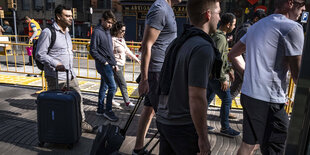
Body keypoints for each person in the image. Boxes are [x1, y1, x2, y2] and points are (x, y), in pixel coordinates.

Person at [228, 0, 305, 154]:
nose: (303, 9)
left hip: (249, 95)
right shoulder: (293, 28)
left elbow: (233, 54)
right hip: (269, 102)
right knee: (276, 149)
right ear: (290, 3)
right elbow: (298, 77)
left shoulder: (257, 26)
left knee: (248, 144)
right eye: (301, 4)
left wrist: (248, 74)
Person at [156, 0, 221, 154]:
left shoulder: (177, 42)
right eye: (218, 13)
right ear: (208, 14)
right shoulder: (203, 48)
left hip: (164, 119)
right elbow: (197, 97)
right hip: (183, 125)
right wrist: (203, 139)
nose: (219, 18)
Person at [133, 0, 181, 154]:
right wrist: (145, 80)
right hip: (157, 72)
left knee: (149, 110)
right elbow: (146, 44)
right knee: (166, 119)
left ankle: (138, 148)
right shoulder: (160, 8)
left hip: (160, 70)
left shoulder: (168, 8)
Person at [35, 5, 93, 133]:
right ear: (58, 17)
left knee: (78, 98)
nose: (71, 18)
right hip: (55, 77)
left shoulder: (67, 32)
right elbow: (40, 54)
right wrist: (55, 63)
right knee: (58, 104)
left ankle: (80, 123)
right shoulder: (48, 32)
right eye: (67, 16)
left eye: (71, 15)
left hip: (70, 75)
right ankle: (61, 127)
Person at [206, 12, 240, 137]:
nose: (235, 27)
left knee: (207, 99)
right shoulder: (220, 38)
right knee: (226, 99)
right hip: (216, 76)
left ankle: (198, 123)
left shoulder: (218, 35)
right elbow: (218, 59)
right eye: (234, 24)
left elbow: (222, 58)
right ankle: (225, 127)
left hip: (211, 75)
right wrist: (222, 79)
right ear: (227, 24)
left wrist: (229, 70)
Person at [89, 10, 119, 122]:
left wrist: (114, 63)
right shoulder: (97, 32)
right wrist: (105, 62)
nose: (110, 25)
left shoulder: (107, 31)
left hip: (108, 64)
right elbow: (93, 51)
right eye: (109, 23)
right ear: (103, 20)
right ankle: (108, 111)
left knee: (104, 87)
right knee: (113, 87)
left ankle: (100, 109)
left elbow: (109, 51)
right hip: (103, 65)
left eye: (111, 23)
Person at [230, 10, 266, 100]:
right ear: (256, 19)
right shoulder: (247, 29)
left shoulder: (246, 27)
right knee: (238, 84)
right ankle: (227, 104)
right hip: (241, 61)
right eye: (261, 21)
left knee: (237, 84)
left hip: (241, 61)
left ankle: (227, 105)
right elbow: (241, 50)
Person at [111, 21, 140, 107]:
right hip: (116, 66)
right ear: (117, 30)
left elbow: (127, 50)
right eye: (122, 31)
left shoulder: (122, 40)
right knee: (123, 84)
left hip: (121, 64)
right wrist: (114, 65)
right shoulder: (112, 40)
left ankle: (110, 99)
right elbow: (110, 54)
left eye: (124, 31)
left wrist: (136, 59)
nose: (124, 33)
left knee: (116, 85)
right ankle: (127, 102)